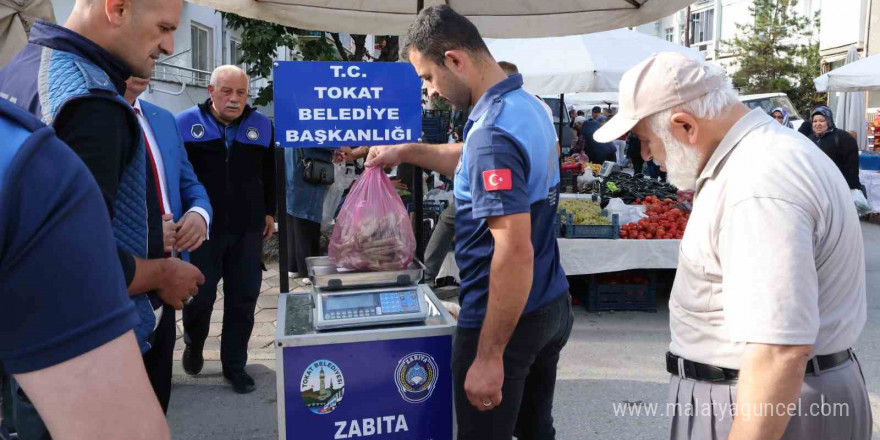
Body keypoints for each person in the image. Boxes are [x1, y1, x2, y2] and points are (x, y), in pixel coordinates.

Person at [595, 52, 870, 440]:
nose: (645, 156)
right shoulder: (764, 154)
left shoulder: (758, 181)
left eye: (644, 140)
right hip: (769, 398)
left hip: (764, 406)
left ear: (684, 125)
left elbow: (779, 350)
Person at [367, 6, 573, 439]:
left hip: (505, 319)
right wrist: (403, 151)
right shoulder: (523, 105)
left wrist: (489, 355)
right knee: (537, 430)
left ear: (455, 60)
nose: (431, 91)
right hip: (551, 303)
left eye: (428, 77)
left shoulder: (493, 134)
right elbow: (466, 156)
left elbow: (513, 252)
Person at [0, 0, 203, 435]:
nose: (169, 46)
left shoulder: (21, 67)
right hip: (81, 361)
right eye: (165, 27)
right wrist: (163, 275)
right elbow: (74, 268)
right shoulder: (91, 103)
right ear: (118, 8)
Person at [0, 98, 171, 440]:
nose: (167, 46)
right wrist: (162, 274)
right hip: (64, 349)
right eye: (159, 38)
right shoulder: (34, 152)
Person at [177, 65, 276, 394]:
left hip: (247, 229)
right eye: (227, 91)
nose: (234, 99)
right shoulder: (185, 124)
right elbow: (174, 176)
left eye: (241, 93)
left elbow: (270, 172)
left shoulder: (262, 126)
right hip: (202, 232)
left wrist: (269, 211)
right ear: (211, 90)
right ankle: (193, 343)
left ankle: (234, 366)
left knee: (243, 299)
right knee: (198, 299)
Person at [124, 76, 213, 413]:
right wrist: (148, 233)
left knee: (158, 400)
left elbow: (190, 183)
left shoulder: (161, 118)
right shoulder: (91, 118)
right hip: (122, 287)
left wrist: (199, 213)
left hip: (168, 286)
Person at [284, 146, 336, 283]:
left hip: (294, 165)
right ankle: (309, 270)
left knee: (293, 214)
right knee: (307, 218)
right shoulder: (311, 124)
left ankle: (294, 266)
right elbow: (324, 138)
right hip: (308, 169)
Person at [807, 106, 862, 191]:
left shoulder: (843, 138)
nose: (817, 124)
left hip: (839, 187)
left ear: (829, 120)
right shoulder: (810, 139)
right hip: (817, 187)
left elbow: (852, 168)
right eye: (815, 121)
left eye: (822, 121)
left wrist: (851, 188)